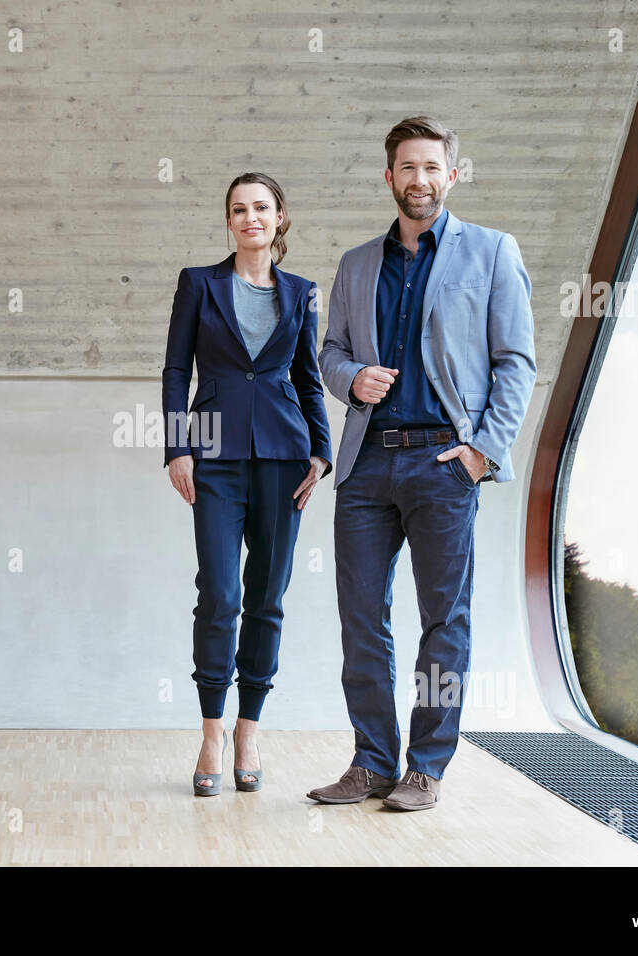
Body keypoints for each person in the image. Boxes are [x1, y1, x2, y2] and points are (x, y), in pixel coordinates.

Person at [310, 116, 537, 811]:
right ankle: (372, 763)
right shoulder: (356, 264)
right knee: (362, 619)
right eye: (407, 168)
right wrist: (351, 379)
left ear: (452, 175)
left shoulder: (493, 252)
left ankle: (425, 767)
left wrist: (479, 455)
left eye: (432, 167)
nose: (420, 180)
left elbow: (516, 363)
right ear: (389, 178)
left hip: (444, 463)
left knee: (445, 619)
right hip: (368, 465)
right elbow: (329, 352)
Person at [163, 172, 333, 796]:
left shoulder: (302, 292)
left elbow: (308, 378)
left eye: (261, 207)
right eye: (239, 209)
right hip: (214, 457)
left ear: (280, 218)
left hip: (285, 459)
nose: (250, 217)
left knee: (267, 596)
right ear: (229, 220)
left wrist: (321, 450)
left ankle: (248, 731)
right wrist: (176, 447)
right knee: (219, 593)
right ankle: (211, 731)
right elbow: (177, 365)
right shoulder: (199, 284)